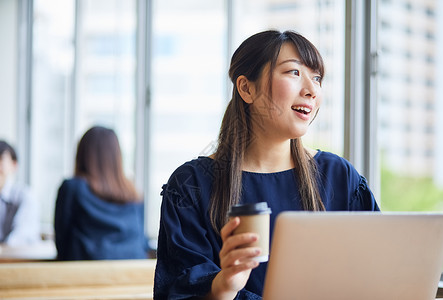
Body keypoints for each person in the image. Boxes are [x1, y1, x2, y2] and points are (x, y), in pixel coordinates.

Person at [154, 30, 380, 299]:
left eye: (317, 77)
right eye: (294, 73)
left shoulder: (340, 176)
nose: (311, 90)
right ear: (246, 88)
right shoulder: (192, 185)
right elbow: (178, 291)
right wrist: (225, 284)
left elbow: (375, 273)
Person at [54, 126, 149, 260]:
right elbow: (142, 242)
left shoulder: (72, 188)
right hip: (133, 272)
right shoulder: (134, 193)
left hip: (84, 274)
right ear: (117, 156)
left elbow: (62, 241)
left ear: (82, 154)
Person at [0, 140, 40, 246]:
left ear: (14, 165)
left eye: (1, 160)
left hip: (18, 259)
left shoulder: (25, 195)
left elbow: (19, 238)